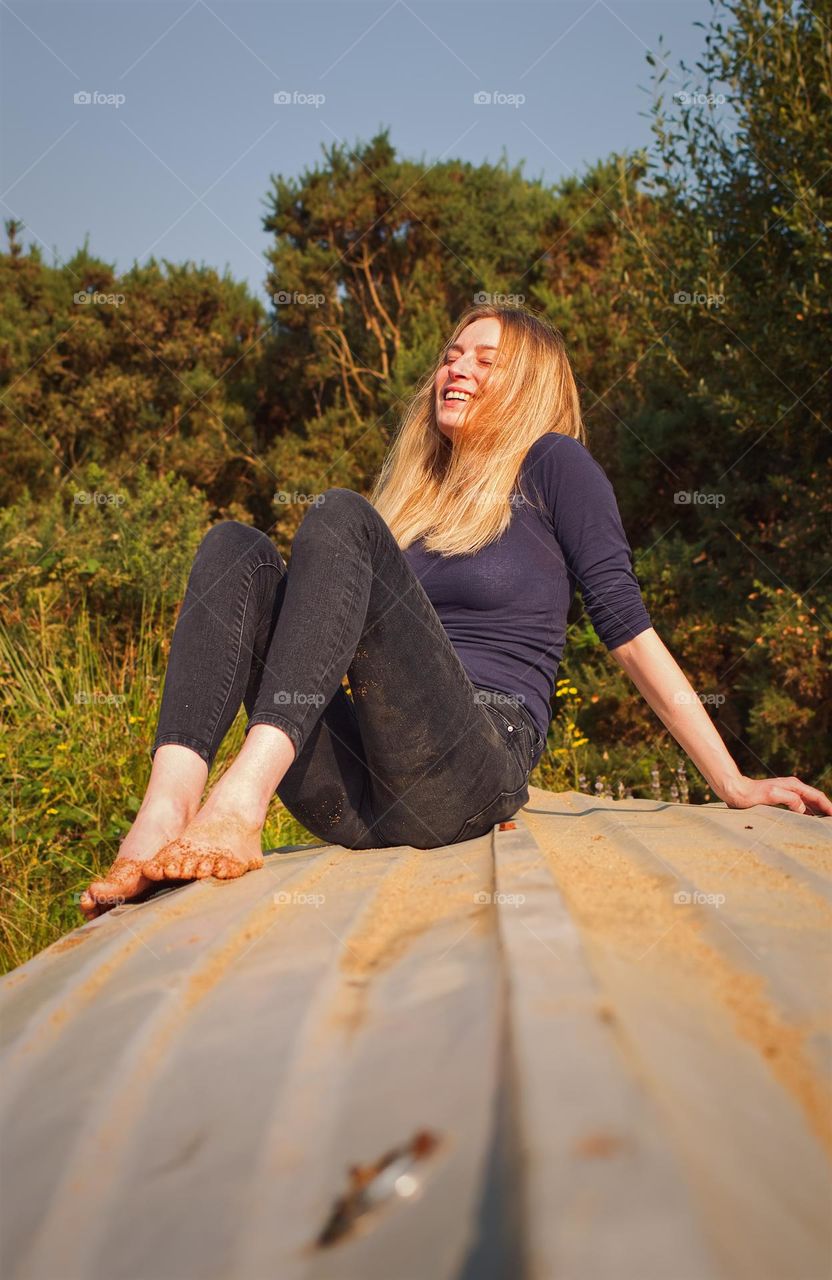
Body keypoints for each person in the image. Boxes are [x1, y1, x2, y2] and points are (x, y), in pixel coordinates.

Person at [80, 305, 831, 919]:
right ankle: (163, 815)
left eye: (484, 359)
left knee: (337, 515)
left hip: (471, 765)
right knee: (235, 549)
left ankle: (242, 799)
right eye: (450, 354)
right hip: (361, 796)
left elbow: (626, 627)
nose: (456, 368)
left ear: (527, 384)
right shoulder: (412, 499)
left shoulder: (553, 465)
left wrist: (733, 783)